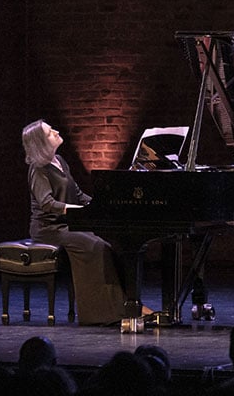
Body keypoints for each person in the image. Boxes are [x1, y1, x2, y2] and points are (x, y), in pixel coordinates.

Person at [22, 119, 146, 325]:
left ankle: (123, 305)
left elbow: (78, 194)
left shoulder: (60, 160)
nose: (56, 131)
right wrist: (79, 211)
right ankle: (99, 314)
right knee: (93, 246)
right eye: (50, 131)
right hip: (48, 228)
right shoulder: (38, 168)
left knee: (106, 245)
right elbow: (47, 204)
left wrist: (101, 204)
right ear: (41, 143)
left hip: (67, 223)